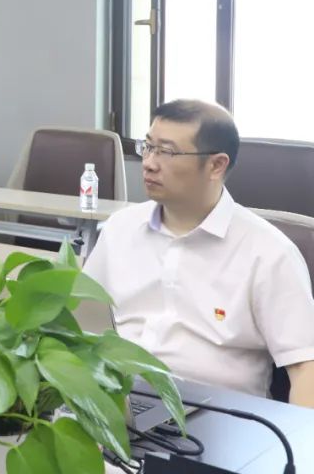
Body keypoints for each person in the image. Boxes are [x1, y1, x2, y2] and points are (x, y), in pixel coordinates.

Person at [83, 99, 314, 406]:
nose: (149, 163)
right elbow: (81, 320)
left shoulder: (269, 253)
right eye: (148, 147)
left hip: (220, 413)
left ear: (216, 165)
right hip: (116, 398)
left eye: (167, 152)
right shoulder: (119, 228)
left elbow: (305, 367)